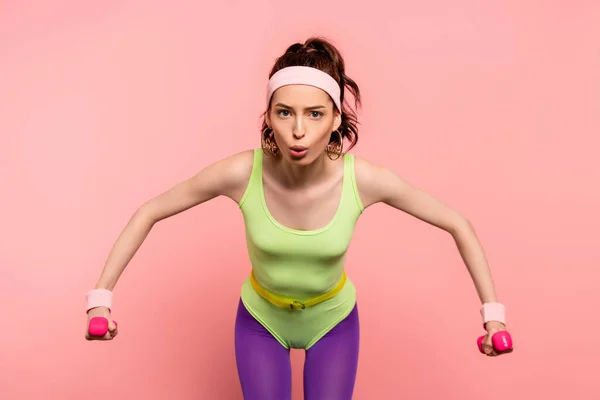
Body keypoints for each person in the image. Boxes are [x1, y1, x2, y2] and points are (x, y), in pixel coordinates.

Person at [84, 36, 512, 399]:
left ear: (336, 118)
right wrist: (99, 299)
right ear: (268, 116)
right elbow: (150, 211)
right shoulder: (240, 173)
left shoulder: (363, 180)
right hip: (260, 320)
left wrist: (493, 315)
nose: (299, 131)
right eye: (285, 112)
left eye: (314, 114)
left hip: (333, 321)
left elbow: (458, 223)